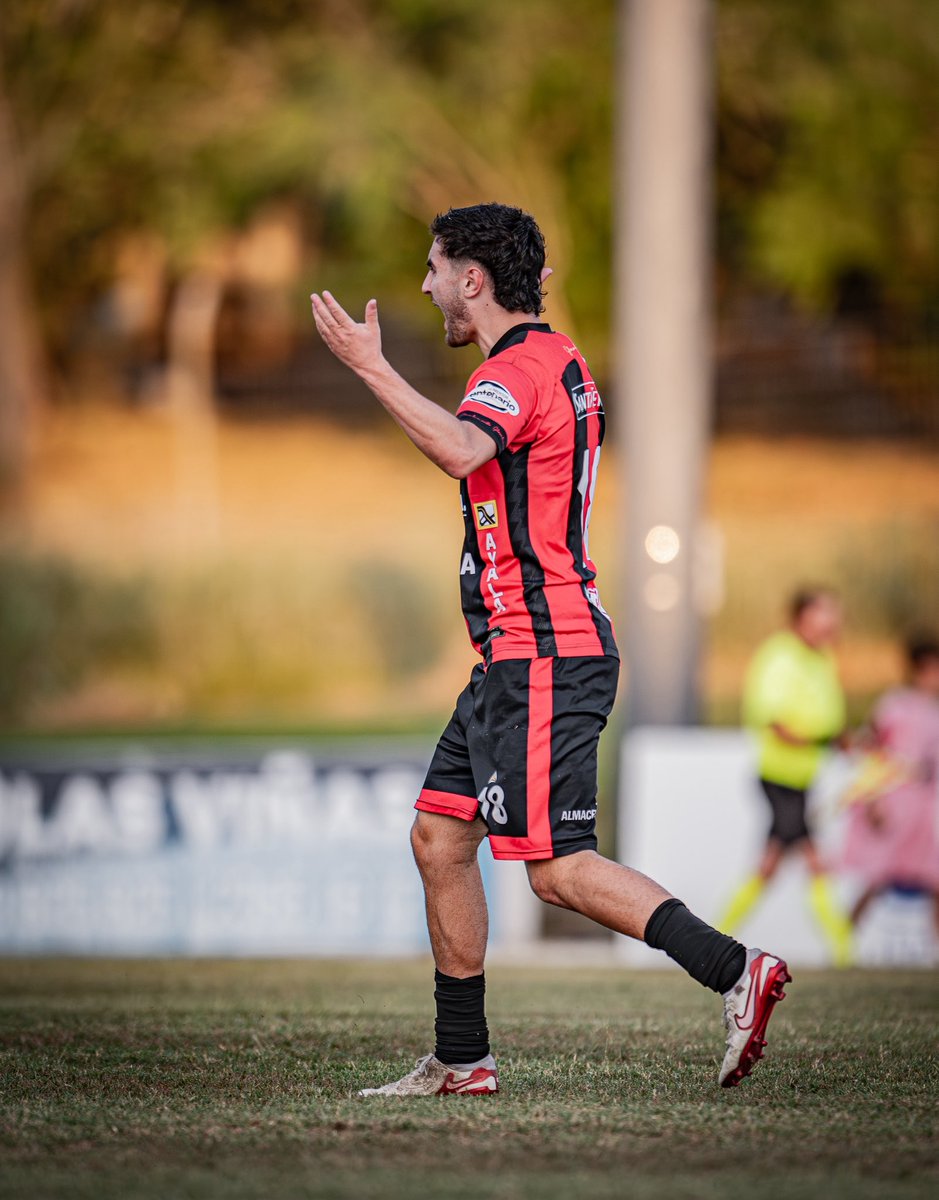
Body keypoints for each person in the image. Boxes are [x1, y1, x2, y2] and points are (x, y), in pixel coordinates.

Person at [310, 202, 789, 1097]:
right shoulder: (548, 357)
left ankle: (735, 971)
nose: (424, 285)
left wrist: (370, 368)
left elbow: (460, 449)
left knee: (557, 869)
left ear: (473, 280)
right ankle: (461, 1060)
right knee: (438, 837)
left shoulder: (518, 370)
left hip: (542, 653)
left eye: (433, 267)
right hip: (512, 656)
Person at [718, 587, 854, 965]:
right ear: (800, 618)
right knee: (813, 860)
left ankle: (713, 936)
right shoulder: (779, 656)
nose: (830, 623)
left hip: (801, 779)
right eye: (822, 615)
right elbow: (777, 723)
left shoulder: (823, 658)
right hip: (780, 777)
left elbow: (828, 717)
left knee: (769, 866)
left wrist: (841, 739)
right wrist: (824, 739)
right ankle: (845, 951)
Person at [841, 635, 939, 949]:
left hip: (922, 814)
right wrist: (872, 800)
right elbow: (873, 751)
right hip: (896, 807)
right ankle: (842, 941)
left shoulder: (934, 711)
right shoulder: (895, 705)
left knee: (933, 881)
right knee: (877, 879)